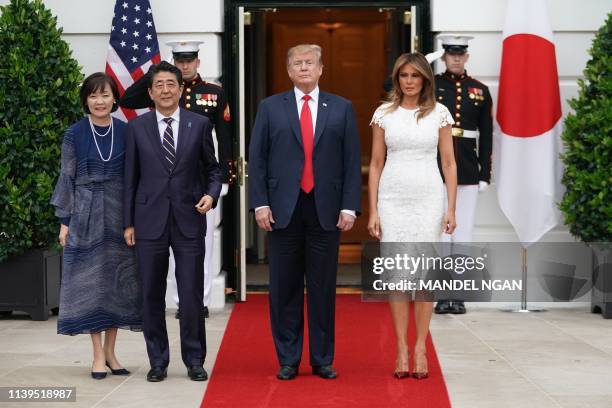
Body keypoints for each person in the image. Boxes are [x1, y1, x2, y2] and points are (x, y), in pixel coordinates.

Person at [249, 44, 361, 381]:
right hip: (283, 209)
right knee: (284, 286)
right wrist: (261, 203)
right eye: (296, 63)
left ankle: (322, 358)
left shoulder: (341, 108)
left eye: (309, 63)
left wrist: (349, 205)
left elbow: (352, 161)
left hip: (326, 209)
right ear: (288, 70)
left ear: (321, 69)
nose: (303, 68)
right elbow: (258, 159)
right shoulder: (270, 108)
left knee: (323, 286)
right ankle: (288, 358)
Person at [123, 61, 222, 382]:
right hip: (147, 221)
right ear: (150, 92)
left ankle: (194, 359)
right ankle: (158, 361)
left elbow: (214, 169)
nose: (165, 90)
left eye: (171, 84)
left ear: (181, 89)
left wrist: (212, 194)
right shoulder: (136, 128)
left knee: (191, 294)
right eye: (159, 85)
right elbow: (130, 180)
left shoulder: (199, 124)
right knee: (151, 294)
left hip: (189, 219)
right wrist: (128, 223)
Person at [120, 40, 232, 320]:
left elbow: (224, 137)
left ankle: (198, 300)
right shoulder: (162, 88)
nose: (184, 66)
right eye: (179, 61)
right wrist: (157, 72)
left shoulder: (213, 93)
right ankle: (179, 300)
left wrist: (223, 181)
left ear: (197, 62)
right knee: (161, 259)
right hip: (158, 194)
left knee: (199, 251)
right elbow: (127, 100)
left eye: (189, 61)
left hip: (197, 187)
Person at [368, 53, 457, 379]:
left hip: (429, 199)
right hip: (392, 200)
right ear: (397, 79)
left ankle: (420, 346)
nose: (408, 81)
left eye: (415, 76)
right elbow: (376, 163)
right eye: (403, 75)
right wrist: (374, 209)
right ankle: (401, 349)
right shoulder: (383, 114)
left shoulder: (440, 114)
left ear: (425, 80)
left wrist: (450, 207)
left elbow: (449, 163)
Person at [50, 72, 142, 379]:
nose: (99, 101)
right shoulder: (74, 133)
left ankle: (112, 353)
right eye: (93, 96)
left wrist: (134, 219)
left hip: (119, 216)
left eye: (104, 95)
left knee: (117, 283)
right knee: (91, 285)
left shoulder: (127, 131)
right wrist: (65, 222)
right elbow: (66, 178)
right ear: (85, 100)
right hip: (85, 214)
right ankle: (97, 354)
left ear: (114, 98)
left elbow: (135, 178)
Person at [434, 35, 493, 315]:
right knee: (440, 235)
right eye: (450, 54)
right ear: (444, 56)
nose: (456, 59)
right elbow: (390, 85)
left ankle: (458, 294)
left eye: (460, 54)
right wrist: (424, 61)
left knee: (463, 233)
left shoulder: (479, 90)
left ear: (466, 57)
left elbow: (487, 135)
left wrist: (485, 172)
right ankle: (441, 294)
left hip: (467, 169)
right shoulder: (431, 86)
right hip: (435, 169)